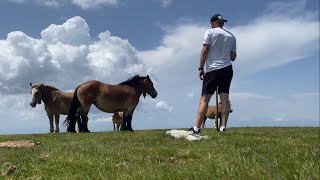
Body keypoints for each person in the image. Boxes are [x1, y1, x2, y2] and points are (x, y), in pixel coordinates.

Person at [189, 14, 237, 133]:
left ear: (212, 23)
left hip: (213, 69)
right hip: (227, 68)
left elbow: (205, 50)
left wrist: (201, 68)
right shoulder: (232, 36)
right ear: (221, 23)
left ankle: (196, 128)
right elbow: (233, 57)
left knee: (204, 99)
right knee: (225, 98)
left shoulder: (209, 32)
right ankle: (223, 127)